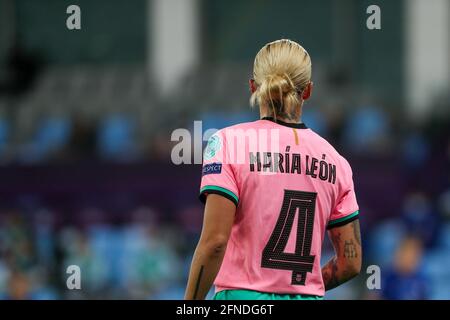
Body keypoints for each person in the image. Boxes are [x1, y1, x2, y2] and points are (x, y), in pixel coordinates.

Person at [185, 39, 362, 300]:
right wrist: (306, 286)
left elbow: (214, 244)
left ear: (253, 86)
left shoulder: (227, 143)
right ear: (308, 91)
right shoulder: (337, 163)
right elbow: (351, 263)